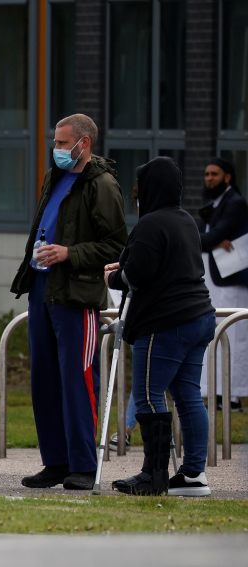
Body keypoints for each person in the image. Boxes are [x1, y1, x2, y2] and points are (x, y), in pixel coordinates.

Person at [10, 114, 128, 490]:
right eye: (56, 143)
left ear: (84, 143)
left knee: (78, 378)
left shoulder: (103, 184)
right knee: (43, 378)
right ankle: (56, 462)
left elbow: (116, 245)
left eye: (63, 144)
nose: (57, 150)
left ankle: (83, 464)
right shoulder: (55, 177)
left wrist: (69, 253)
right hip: (44, 289)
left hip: (76, 295)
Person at [105, 156, 215, 496]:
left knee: (149, 395)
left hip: (165, 323)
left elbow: (138, 274)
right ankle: (193, 475)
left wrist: (113, 276)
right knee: (188, 396)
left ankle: (152, 475)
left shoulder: (151, 224)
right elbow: (166, 265)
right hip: (199, 316)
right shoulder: (184, 220)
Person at [197, 157, 248, 413]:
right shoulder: (215, 203)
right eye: (206, 174)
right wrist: (210, 240)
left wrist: (209, 239)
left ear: (228, 177)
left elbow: (213, 235)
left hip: (232, 282)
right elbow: (207, 234)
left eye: (214, 174)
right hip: (216, 283)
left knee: (234, 336)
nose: (209, 179)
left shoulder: (235, 203)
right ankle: (215, 392)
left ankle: (232, 395)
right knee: (216, 334)